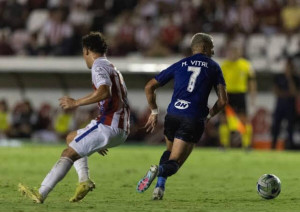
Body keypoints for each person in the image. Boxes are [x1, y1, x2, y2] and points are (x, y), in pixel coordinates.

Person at [19, 32, 130, 203]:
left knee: (68, 153)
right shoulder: (112, 67)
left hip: (109, 125)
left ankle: (41, 193)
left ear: (86, 51)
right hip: (120, 127)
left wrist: (76, 103)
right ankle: (84, 181)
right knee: (72, 138)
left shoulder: (98, 67)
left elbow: (103, 91)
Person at [136, 33, 228, 200]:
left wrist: (154, 111)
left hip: (172, 115)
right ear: (205, 48)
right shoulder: (214, 67)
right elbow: (222, 101)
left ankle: (159, 188)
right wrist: (209, 115)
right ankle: (159, 170)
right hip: (193, 117)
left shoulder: (180, 64)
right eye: (212, 48)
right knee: (175, 163)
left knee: (169, 152)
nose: (213, 51)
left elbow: (149, 86)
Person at [219, 45, 256, 149]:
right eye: (232, 51)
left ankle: (247, 145)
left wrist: (253, 97)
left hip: (240, 94)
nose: (233, 53)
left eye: (236, 51)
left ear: (240, 52)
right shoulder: (224, 65)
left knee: (244, 120)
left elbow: (252, 82)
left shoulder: (246, 65)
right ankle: (224, 145)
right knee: (224, 120)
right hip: (227, 94)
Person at [271, 58, 299, 149]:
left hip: (290, 106)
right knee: (276, 127)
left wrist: (289, 78)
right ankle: (273, 146)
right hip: (280, 106)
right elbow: (276, 91)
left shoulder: (296, 78)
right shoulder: (278, 77)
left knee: (290, 128)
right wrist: (287, 94)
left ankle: (290, 146)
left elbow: (294, 92)